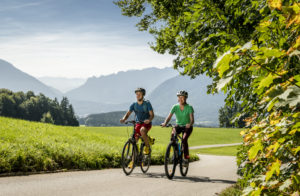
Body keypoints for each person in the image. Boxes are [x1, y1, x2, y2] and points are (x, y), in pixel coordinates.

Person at [120, 87, 155, 155]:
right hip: (138, 123)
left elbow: (152, 115)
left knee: (142, 130)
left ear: (143, 95)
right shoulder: (134, 105)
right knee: (134, 141)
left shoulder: (147, 103)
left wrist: (149, 120)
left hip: (146, 123)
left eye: (139, 94)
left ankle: (147, 147)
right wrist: (124, 119)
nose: (138, 95)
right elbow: (128, 114)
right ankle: (134, 160)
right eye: (137, 94)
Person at [161, 90, 194, 160]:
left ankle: (186, 157)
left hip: (187, 127)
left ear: (186, 98)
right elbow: (169, 117)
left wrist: (190, 124)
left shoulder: (189, 107)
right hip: (178, 125)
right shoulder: (175, 107)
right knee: (173, 137)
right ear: (177, 98)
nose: (181, 99)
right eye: (179, 97)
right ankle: (175, 153)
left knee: (184, 140)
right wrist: (165, 123)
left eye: (183, 97)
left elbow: (192, 120)